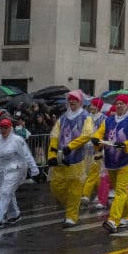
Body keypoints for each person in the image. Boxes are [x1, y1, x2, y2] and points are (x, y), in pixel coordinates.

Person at [0, 118, 44, 228]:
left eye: (6, 127)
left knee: (4, 192)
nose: (4, 129)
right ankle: (14, 214)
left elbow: (27, 155)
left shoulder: (17, 140)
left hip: (14, 169)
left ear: (10, 128)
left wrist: (35, 170)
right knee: (7, 193)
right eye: (2, 127)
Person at [88, 95, 128, 231]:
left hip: (127, 159)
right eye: (117, 103)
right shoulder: (108, 120)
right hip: (111, 159)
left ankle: (113, 220)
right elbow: (99, 133)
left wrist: (125, 144)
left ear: (127, 105)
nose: (119, 105)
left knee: (120, 190)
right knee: (119, 189)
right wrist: (96, 139)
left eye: (122, 103)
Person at [46, 89, 94, 227]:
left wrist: (71, 146)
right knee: (56, 186)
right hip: (61, 158)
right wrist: (52, 155)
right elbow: (54, 136)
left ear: (80, 102)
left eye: (75, 99)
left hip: (77, 159)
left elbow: (87, 134)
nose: (72, 101)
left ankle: (71, 217)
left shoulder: (86, 117)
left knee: (74, 189)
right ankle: (72, 205)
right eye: (70, 99)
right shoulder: (63, 118)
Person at [81, 97, 105, 206]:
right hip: (87, 149)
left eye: (94, 105)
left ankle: (88, 195)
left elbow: (105, 134)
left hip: (98, 150)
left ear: (99, 107)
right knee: (87, 172)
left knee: (96, 173)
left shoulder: (104, 118)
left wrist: (101, 148)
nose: (92, 107)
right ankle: (93, 194)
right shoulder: (87, 118)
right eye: (91, 105)